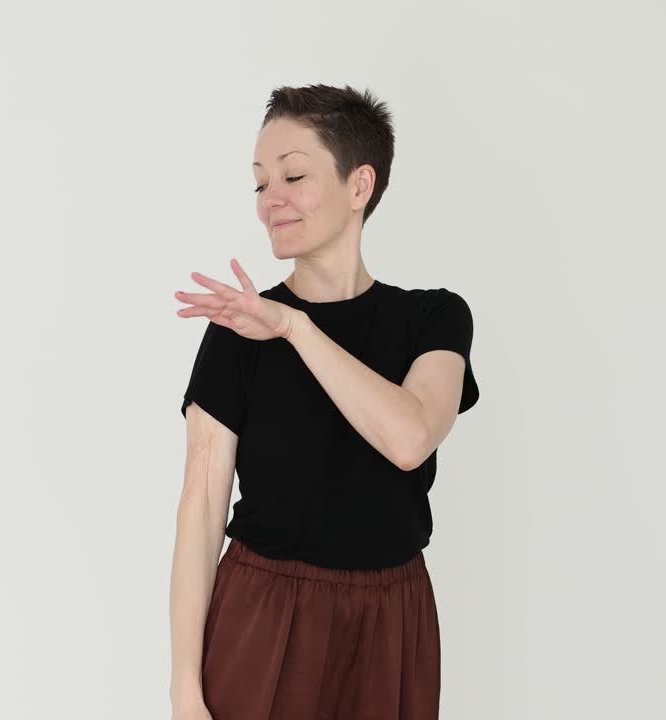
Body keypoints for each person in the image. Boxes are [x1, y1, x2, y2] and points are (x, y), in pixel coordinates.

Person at [169, 84, 479, 720]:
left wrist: (294, 327)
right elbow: (200, 512)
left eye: (293, 175)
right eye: (259, 184)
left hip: (392, 619)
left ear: (359, 184)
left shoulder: (434, 318)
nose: (268, 202)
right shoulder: (236, 331)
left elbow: (409, 438)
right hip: (265, 612)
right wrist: (183, 690)